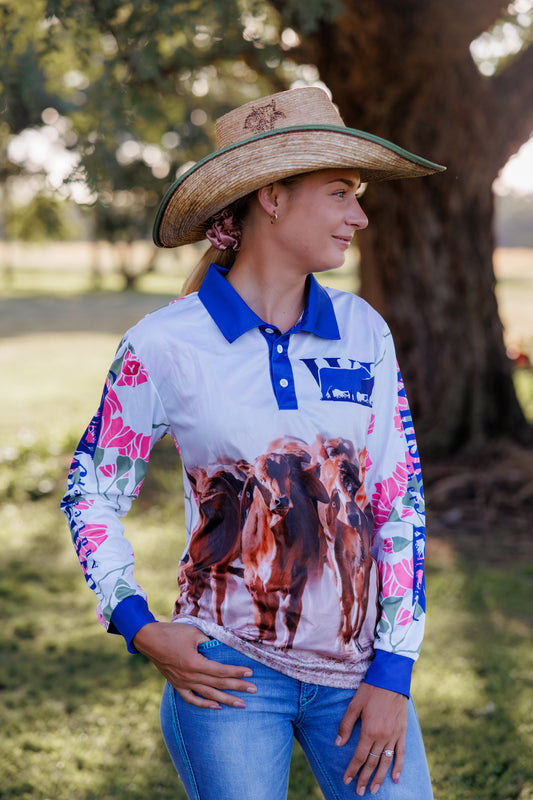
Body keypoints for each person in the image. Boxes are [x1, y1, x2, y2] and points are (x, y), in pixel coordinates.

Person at [61, 86, 445, 799]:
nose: (358, 215)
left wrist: (393, 671)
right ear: (271, 196)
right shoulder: (162, 344)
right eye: (339, 193)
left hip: (358, 676)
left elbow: (399, 504)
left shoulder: (364, 332)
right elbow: (92, 492)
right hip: (225, 673)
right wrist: (137, 623)